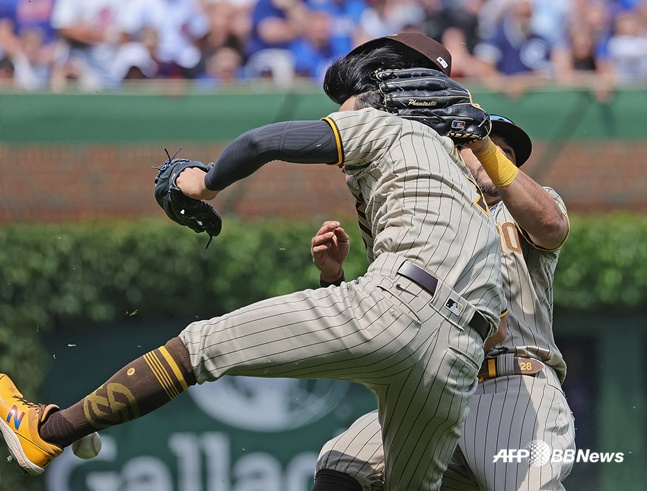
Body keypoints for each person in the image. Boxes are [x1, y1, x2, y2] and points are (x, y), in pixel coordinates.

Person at [0, 32, 505, 490]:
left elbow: (263, 142)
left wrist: (200, 182)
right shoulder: (466, 187)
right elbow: (430, 325)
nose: (342, 111)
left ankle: (49, 432)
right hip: (458, 359)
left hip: (402, 306)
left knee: (200, 347)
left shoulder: (393, 130)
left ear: (378, 96)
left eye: (347, 102)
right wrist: (335, 279)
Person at [309, 114, 575, 490]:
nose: (495, 152)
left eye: (507, 152)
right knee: (344, 462)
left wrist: (482, 145)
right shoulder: (427, 224)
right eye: (480, 144)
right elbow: (383, 312)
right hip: (439, 390)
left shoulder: (518, 212)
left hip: (514, 384)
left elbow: (550, 226)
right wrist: (333, 278)